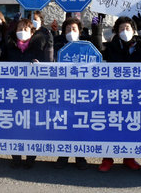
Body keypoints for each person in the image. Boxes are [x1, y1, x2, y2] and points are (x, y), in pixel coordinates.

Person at [92, 14, 141, 172]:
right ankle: (107, 158)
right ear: (116, 31)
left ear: (133, 30)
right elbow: (98, 49)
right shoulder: (111, 46)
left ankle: (129, 157)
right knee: (111, 126)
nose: (124, 31)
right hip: (114, 93)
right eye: (121, 28)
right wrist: (97, 30)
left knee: (131, 126)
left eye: (127, 28)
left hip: (135, 93)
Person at [0, 18, 49, 169]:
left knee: (31, 125)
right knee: (15, 125)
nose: (22, 32)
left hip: (33, 93)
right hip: (13, 92)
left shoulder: (38, 46)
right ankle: (16, 156)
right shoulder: (10, 46)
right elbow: (0, 61)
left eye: (25, 29)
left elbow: (49, 61)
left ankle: (30, 157)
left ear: (32, 32)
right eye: (19, 29)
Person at [52, 17, 89, 170]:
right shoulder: (59, 44)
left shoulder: (87, 46)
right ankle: (63, 155)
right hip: (63, 91)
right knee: (65, 123)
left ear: (79, 31)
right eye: (68, 29)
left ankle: (80, 156)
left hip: (82, 91)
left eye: (74, 29)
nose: (71, 32)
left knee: (79, 124)